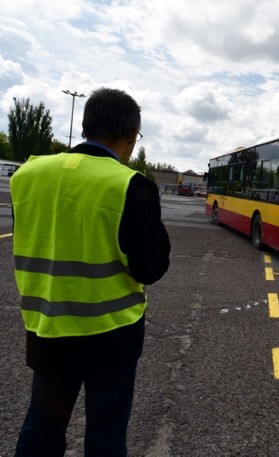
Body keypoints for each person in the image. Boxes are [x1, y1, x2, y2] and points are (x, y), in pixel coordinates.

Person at [10, 87, 171, 456]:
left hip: (47, 328)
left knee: (42, 427)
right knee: (105, 433)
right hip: (111, 336)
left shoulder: (28, 175)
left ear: (85, 127)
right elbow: (150, 269)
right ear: (131, 136)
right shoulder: (131, 185)